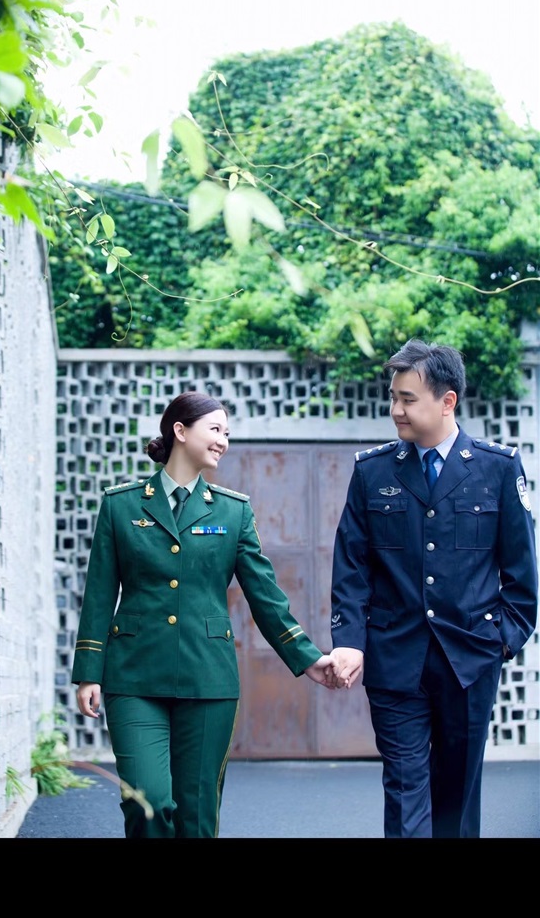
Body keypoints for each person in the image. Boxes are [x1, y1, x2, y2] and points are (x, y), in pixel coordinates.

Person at [72, 390, 336, 838]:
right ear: (180, 430)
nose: (223, 441)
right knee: (148, 802)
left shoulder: (234, 511)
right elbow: (99, 593)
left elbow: (264, 594)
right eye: (215, 429)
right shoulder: (120, 505)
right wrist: (88, 672)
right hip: (133, 677)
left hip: (207, 679)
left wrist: (307, 657)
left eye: (227, 433)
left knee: (196, 816)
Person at [327, 338, 538, 838]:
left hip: (470, 660)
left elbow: (522, 575)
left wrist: (500, 643)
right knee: (404, 790)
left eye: (408, 399)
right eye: (393, 397)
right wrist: (350, 640)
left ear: (448, 401)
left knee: (456, 797)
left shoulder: (498, 468)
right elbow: (352, 566)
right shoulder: (373, 471)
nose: (395, 410)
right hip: (394, 659)